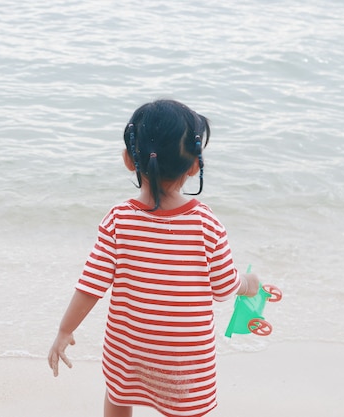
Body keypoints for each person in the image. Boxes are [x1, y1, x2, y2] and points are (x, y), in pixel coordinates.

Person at [48, 99, 260, 417]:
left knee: (119, 397)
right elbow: (222, 288)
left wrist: (65, 330)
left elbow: (91, 285)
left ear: (128, 161)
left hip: (129, 353)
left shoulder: (118, 220)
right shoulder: (206, 224)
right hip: (185, 363)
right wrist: (248, 284)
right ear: (194, 166)